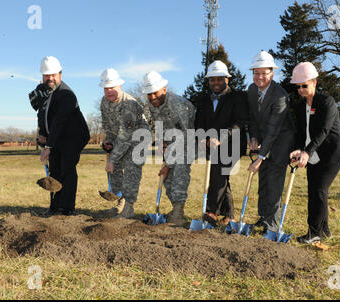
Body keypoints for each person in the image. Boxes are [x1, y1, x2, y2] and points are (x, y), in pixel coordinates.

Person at [289, 62, 340, 244]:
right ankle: (324, 229)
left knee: (319, 189)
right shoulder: (300, 107)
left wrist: (307, 152)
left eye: (304, 85)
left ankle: (314, 233)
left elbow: (323, 131)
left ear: (314, 82)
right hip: (314, 151)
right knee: (314, 190)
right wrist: (299, 149)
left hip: (333, 151)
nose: (300, 89)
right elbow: (301, 132)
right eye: (298, 86)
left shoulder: (326, 102)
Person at [29, 56, 90, 215]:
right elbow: (41, 114)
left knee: (66, 168)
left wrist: (48, 146)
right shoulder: (43, 91)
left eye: (53, 75)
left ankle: (66, 208)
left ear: (60, 74)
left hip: (74, 136)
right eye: (46, 75)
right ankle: (55, 206)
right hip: (57, 136)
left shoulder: (66, 94)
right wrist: (42, 133)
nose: (50, 78)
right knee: (54, 169)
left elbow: (59, 121)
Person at [194, 60, 250, 226]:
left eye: (220, 79)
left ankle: (212, 211)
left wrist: (221, 137)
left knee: (218, 171)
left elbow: (240, 122)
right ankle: (230, 216)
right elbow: (199, 123)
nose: (216, 83)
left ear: (227, 79)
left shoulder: (238, 97)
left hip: (233, 143)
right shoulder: (203, 99)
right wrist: (202, 137)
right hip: (212, 144)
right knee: (222, 177)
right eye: (212, 79)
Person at [246, 51, 296, 235]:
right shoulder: (251, 90)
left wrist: (260, 157)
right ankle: (263, 217)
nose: (259, 77)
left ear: (272, 74)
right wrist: (252, 137)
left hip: (281, 140)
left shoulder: (280, 96)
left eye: (263, 73)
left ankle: (272, 225)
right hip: (264, 139)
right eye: (256, 73)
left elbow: (274, 129)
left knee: (274, 180)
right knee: (263, 180)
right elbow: (252, 117)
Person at [142, 71, 196, 226]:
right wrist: (161, 141)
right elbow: (159, 125)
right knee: (166, 179)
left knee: (179, 172)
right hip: (171, 142)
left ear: (164, 89)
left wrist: (168, 164)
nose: (152, 97)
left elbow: (187, 135)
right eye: (149, 94)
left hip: (189, 140)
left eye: (155, 93)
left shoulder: (178, 105)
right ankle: (176, 208)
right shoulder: (153, 105)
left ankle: (178, 214)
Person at [99, 68, 149, 218]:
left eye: (112, 88)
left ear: (120, 86)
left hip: (138, 138)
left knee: (131, 171)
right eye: (106, 88)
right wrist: (108, 140)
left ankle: (128, 208)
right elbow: (108, 125)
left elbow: (126, 136)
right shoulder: (104, 102)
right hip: (120, 138)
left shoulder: (129, 104)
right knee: (114, 171)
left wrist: (113, 159)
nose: (109, 91)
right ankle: (120, 203)